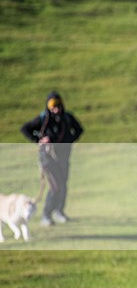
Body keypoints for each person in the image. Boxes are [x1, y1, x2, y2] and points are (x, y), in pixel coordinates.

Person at [20, 91, 83, 227]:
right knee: (56, 186)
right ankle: (46, 215)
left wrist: (69, 140)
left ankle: (59, 211)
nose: (56, 109)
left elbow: (79, 130)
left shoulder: (67, 118)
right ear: (48, 106)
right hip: (47, 159)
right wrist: (39, 139)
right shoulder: (43, 119)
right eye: (53, 106)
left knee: (63, 185)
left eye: (58, 106)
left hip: (63, 158)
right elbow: (25, 129)